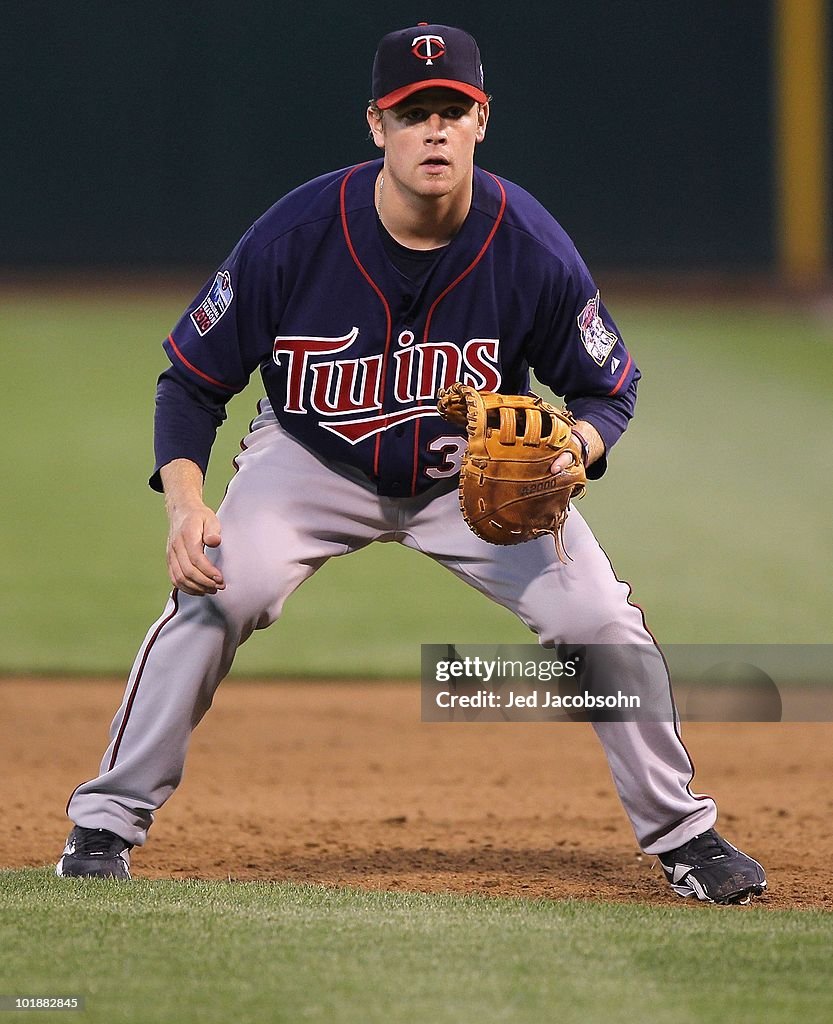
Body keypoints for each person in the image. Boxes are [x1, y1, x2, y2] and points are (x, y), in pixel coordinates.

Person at [57, 23, 766, 904]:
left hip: (469, 480)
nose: (434, 129)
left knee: (597, 620)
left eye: (452, 111)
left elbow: (606, 389)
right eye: (413, 112)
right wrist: (184, 506)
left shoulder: (530, 245)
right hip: (310, 462)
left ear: (480, 123)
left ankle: (685, 839)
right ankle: (105, 821)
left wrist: (573, 451)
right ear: (376, 125)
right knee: (219, 588)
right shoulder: (297, 235)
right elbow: (192, 382)